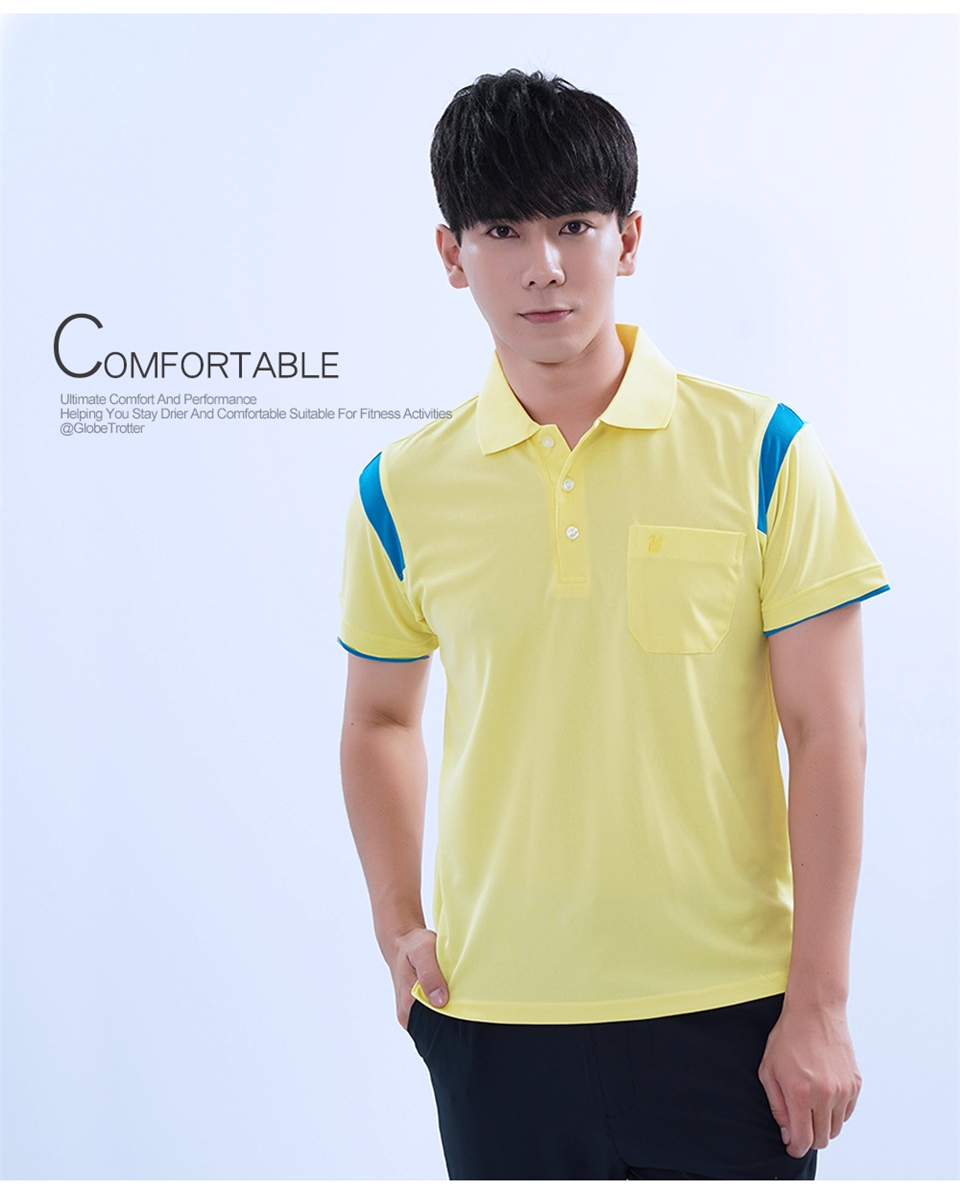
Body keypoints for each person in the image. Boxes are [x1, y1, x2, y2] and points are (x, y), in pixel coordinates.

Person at [338, 69, 889, 1180]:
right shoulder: (400, 488)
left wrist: (820, 1004)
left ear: (627, 239)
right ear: (451, 255)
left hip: (732, 1016)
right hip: (493, 1019)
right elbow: (379, 721)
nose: (543, 265)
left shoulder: (764, 451)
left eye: (575, 226)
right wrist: (399, 927)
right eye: (503, 231)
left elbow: (827, 733)